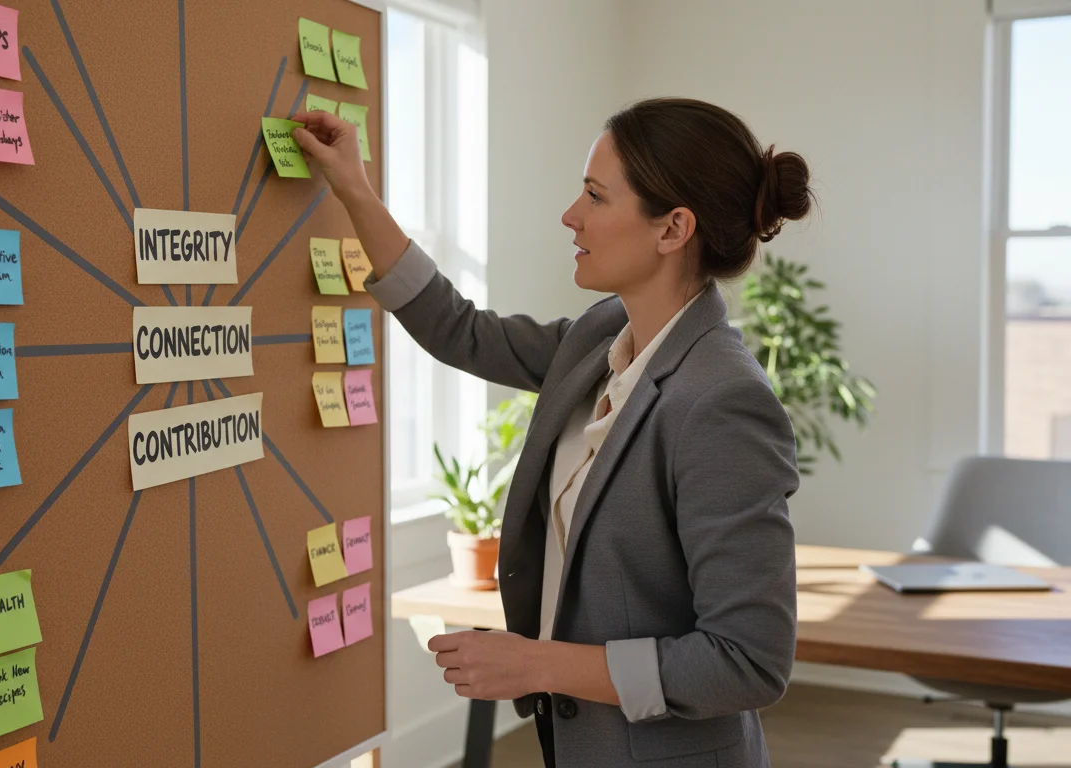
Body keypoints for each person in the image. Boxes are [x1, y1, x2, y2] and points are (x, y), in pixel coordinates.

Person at [292, 98, 809, 768]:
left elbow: (748, 662)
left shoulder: (722, 400)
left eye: (595, 196)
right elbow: (461, 330)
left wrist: (541, 665)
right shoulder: (600, 338)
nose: (571, 215)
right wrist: (354, 189)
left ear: (673, 228)